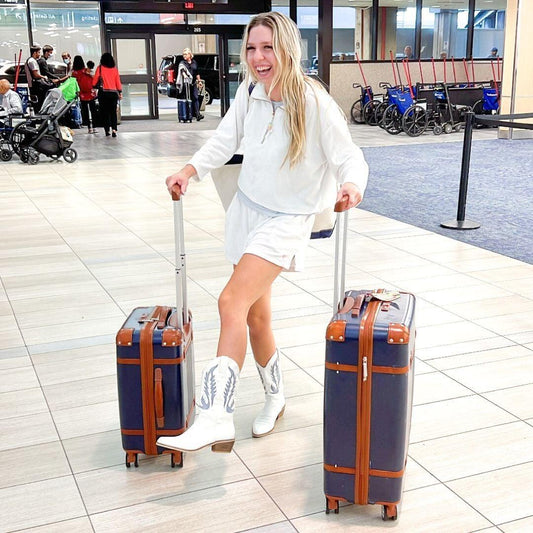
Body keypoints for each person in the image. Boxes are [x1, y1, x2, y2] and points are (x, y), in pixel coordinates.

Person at [157, 11, 368, 455]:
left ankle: (216, 416)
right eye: (251, 48)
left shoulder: (313, 101)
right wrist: (189, 170)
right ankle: (276, 397)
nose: (258, 57)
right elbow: (225, 139)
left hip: (286, 220)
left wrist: (352, 184)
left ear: (287, 49)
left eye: (267, 47)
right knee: (255, 317)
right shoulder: (250, 92)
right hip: (246, 211)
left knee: (230, 301)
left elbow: (349, 155)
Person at [93, 52, 122, 137]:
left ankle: (107, 130)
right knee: (113, 112)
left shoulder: (100, 68)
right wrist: (120, 92)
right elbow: (118, 82)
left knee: (105, 112)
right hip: (113, 93)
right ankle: (114, 130)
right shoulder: (114, 69)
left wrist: (93, 86)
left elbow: (95, 80)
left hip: (103, 93)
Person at [72, 55, 98, 133]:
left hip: (82, 93)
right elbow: (94, 77)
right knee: (93, 110)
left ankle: (89, 127)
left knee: (85, 111)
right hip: (90, 92)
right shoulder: (86, 70)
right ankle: (94, 126)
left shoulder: (74, 72)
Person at [178, 48, 204, 121]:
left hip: (193, 83)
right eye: (183, 54)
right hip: (186, 83)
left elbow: (197, 72)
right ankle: (188, 114)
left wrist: (199, 81)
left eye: (186, 54)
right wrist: (185, 76)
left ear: (190, 55)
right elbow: (182, 71)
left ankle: (198, 114)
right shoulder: (182, 63)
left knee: (195, 97)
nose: (184, 56)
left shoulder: (194, 62)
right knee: (188, 98)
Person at [24, 44, 51, 112]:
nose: (39, 54)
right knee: (40, 101)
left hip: (33, 84)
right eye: (38, 52)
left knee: (37, 102)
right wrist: (43, 77)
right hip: (35, 85)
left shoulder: (29, 60)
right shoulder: (32, 61)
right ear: (34, 53)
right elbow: (35, 75)